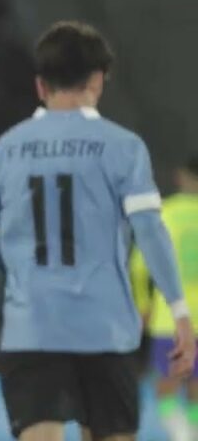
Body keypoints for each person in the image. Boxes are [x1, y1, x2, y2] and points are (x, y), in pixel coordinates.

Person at [0, 21, 197, 441]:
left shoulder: (4, 150)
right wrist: (179, 311)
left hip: (32, 329)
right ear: (97, 80)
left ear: (41, 85)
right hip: (104, 329)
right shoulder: (123, 146)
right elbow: (150, 232)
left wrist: (27, 282)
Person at [130, 155, 198, 441]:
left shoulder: (164, 213)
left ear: (182, 177)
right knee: (196, 394)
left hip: (170, 320)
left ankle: (184, 437)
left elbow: (138, 265)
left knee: (167, 391)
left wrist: (142, 306)